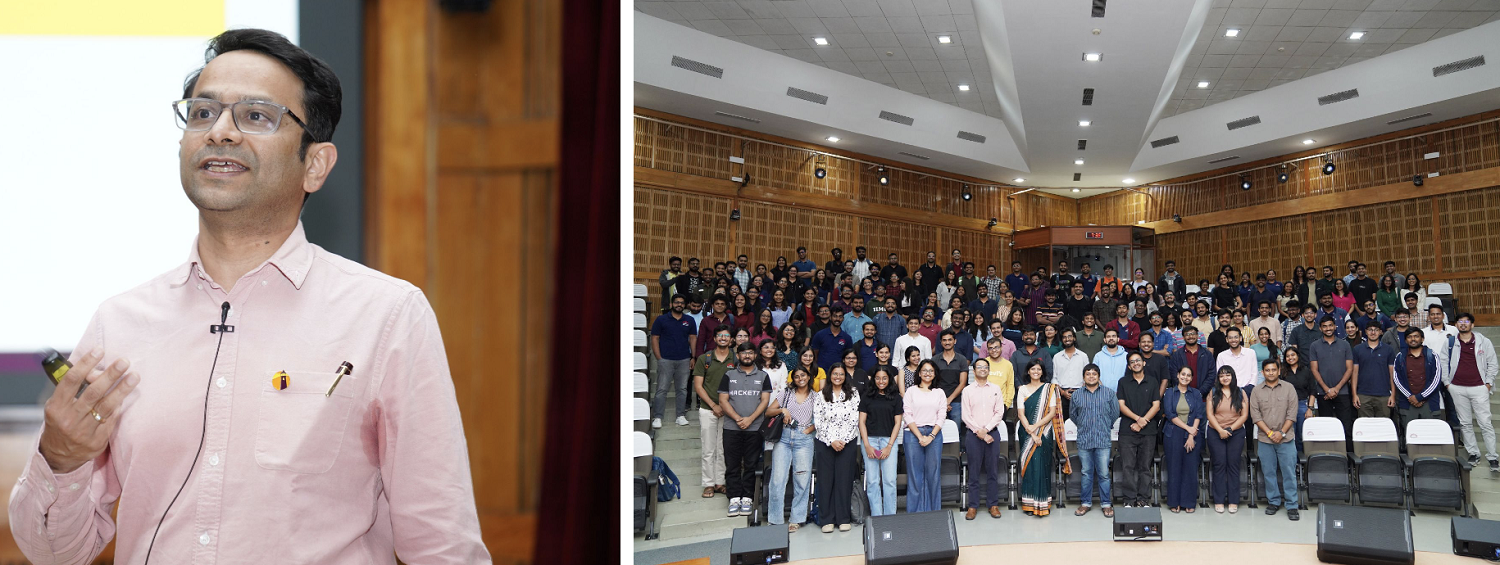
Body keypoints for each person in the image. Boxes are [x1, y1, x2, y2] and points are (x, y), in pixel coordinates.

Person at [719, 343, 773, 518]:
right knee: (732, 464)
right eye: (744, 353)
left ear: (755, 354)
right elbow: (723, 400)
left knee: (750, 464)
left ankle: (748, 498)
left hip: (755, 428)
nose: (747, 355)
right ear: (738, 354)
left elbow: (764, 401)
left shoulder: (763, 376)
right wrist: (737, 418)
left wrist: (750, 419)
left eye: (750, 352)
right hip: (731, 427)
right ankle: (734, 498)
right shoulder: (729, 375)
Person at [1442, 313, 1500, 470]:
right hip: (1457, 388)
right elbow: (1443, 361)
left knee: (1485, 423)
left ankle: (1493, 456)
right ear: (1456, 325)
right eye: (1460, 321)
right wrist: (1447, 383)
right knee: (1465, 423)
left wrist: (1488, 383)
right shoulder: (1450, 342)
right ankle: (1473, 453)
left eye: (1466, 321)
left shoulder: (1483, 341)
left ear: (1472, 325)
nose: (1463, 324)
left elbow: (1493, 363)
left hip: (1479, 388)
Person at [766, 368, 816, 530]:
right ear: (793, 379)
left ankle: (797, 518)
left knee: (802, 479)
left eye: (803, 375)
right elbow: (768, 412)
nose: (800, 378)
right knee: (778, 479)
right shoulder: (786, 393)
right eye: (796, 376)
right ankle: (775, 520)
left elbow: (823, 418)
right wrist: (783, 410)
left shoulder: (817, 396)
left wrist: (808, 429)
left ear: (809, 377)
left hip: (804, 439)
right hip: (784, 438)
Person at [1250, 359, 1300, 520]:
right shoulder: (1256, 391)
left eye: (1273, 370)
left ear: (1279, 371)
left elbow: (1292, 414)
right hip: (1265, 440)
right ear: (1262, 372)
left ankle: (1292, 505)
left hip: (1286, 439)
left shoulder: (1289, 388)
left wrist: (1281, 433)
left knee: (1289, 473)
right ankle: (1273, 501)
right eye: (1267, 370)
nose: (1270, 372)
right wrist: (1271, 434)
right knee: (1269, 472)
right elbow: (1256, 416)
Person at [1016, 360, 1067, 517]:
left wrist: (1036, 428)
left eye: (1039, 369)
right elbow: (1020, 413)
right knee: (1030, 468)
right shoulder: (1023, 389)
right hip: (1027, 433)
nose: (1036, 372)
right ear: (1028, 372)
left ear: (1042, 372)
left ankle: (1043, 503)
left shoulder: (1049, 389)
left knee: (1042, 467)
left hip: (1045, 432)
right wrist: (1031, 432)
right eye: (1033, 369)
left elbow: (1052, 413)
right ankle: (1029, 504)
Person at [813, 365, 860, 533]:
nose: (838, 377)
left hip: (848, 442)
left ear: (845, 376)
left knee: (844, 479)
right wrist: (832, 440)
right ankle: (827, 519)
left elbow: (855, 418)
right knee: (826, 480)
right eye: (835, 374)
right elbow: (818, 421)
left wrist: (843, 440)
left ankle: (843, 518)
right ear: (830, 376)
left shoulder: (853, 393)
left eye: (841, 374)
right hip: (825, 442)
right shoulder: (820, 395)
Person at [692, 327, 736, 497]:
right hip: (708, 409)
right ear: (715, 338)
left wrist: (727, 407)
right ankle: (709, 483)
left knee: (723, 448)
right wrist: (713, 405)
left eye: (727, 335)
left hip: (729, 411)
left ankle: (720, 482)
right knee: (708, 448)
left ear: (731, 339)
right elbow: (698, 386)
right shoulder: (705, 358)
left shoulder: (736, 359)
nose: (723, 338)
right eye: (720, 335)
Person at [1071, 364, 1119, 517]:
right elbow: (1073, 415)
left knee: (1104, 473)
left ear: (1099, 376)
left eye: (1094, 374)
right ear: (1083, 377)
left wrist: (1105, 425)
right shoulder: (1076, 395)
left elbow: (1115, 413)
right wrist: (1084, 425)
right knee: (1086, 473)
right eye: (1088, 374)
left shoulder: (1109, 393)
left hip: (1103, 439)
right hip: (1084, 440)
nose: (1091, 376)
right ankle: (1085, 503)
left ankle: (1106, 504)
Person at [962, 359, 1007, 520]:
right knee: (973, 471)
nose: (982, 369)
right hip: (973, 436)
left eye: (985, 367)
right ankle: (972, 506)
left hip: (992, 434)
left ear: (988, 370)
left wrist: (986, 430)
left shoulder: (995, 389)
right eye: (979, 367)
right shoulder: (967, 390)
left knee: (992, 471)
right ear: (973, 371)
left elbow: (999, 412)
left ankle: (993, 504)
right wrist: (980, 432)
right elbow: (966, 416)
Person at [1116, 352, 1160, 507]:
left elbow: (1156, 405)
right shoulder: (1123, 382)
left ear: (1144, 363)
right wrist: (1137, 419)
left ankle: (1143, 499)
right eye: (1132, 361)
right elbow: (1121, 405)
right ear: (1129, 366)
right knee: (1127, 466)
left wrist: (1143, 422)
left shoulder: (1153, 381)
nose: (1136, 363)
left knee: (1145, 467)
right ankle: (1129, 499)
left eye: (1138, 360)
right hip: (1127, 431)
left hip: (1148, 431)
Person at [903, 360, 947, 512]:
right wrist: (920, 436)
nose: (928, 373)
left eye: (931, 371)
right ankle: (914, 514)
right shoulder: (911, 391)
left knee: (933, 475)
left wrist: (931, 436)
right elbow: (907, 415)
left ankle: (933, 513)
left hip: (934, 435)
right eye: (924, 370)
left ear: (935, 374)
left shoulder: (939, 392)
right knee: (915, 476)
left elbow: (942, 416)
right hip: (913, 435)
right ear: (919, 373)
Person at [860, 367, 904, 517]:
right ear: (873, 379)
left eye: (884, 378)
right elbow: (861, 422)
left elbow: (898, 423)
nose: (881, 381)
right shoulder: (867, 396)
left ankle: (890, 516)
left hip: (888, 441)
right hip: (870, 440)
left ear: (889, 379)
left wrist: (889, 446)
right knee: (872, 481)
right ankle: (877, 516)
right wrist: (866, 445)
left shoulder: (896, 397)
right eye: (878, 378)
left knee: (890, 481)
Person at [652, 294, 701, 428]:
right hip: (665, 359)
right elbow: (655, 338)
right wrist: (659, 358)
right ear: (671, 304)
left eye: (681, 302)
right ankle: (658, 417)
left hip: (684, 359)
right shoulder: (661, 319)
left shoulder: (689, 320)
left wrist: (693, 357)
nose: (679, 304)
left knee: (682, 389)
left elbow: (693, 338)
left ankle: (680, 416)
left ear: (685, 305)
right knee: (661, 389)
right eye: (677, 302)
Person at [1206, 366, 1249, 513]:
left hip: (1235, 433)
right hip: (1215, 432)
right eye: (1222, 375)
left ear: (1233, 376)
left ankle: (1233, 500)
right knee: (1219, 465)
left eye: (1228, 375)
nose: (1225, 378)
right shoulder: (1213, 392)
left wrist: (1229, 430)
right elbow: (1210, 414)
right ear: (1218, 378)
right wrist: (1220, 430)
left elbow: (1244, 415)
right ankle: (1218, 500)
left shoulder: (1241, 392)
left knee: (1233, 465)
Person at [1162, 366, 1205, 513]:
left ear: (1191, 378)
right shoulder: (1169, 393)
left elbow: (1199, 415)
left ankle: (1189, 502)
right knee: (1174, 468)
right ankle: (1174, 502)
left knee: (1190, 468)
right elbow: (1170, 414)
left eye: (1188, 375)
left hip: (1193, 434)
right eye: (1183, 374)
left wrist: (1192, 435)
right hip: (1173, 433)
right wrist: (1189, 430)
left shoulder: (1196, 393)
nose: (1185, 377)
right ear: (1178, 375)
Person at [1310, 317, 1356, 443]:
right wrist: (1326, 389)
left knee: (1346, 427)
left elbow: (1350, 369)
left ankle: (1347, 458)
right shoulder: (1314, 346)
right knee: (1326, 427)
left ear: (1335, 326)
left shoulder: (1345, 344)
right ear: (1320, 328)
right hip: (1323, 393)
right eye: (1324, 326)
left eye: (1330, 325)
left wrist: (1336, 389)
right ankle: (1329, 456)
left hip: (1343, 392)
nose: (1328, 328)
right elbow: (1314, 370)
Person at [1395, 330, 1446, 430]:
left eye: (1416, 336)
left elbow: (1436, 379)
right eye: (1409, 337)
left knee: (1430, 435)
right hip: (1408, 403)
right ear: (1405, 340)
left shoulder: (1432, 356)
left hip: (1429, 403)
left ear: (1422, 339)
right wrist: (1410, 396)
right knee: (1410, 436)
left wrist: (1420, 397)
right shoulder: (1400, 356)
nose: (1413, 339)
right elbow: (1397, 379)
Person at [1351, 323, 1397, 419]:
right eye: (1370, 329)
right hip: (1363, 395)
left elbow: (1392, 373)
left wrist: (1393, 395)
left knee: (1383, 427)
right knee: (1365, 427)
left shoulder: (1388, 350)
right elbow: (1354, 373)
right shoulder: (1357, 349)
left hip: (1384, 395)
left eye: (1376, 330)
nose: (1373, 332)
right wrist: (1354, 395)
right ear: (1366, 332)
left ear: (1381, 332)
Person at [934, 329, 971, 438]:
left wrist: (948, 400)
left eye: (950, 340)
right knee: (937, 428)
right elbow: (933, 382)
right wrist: (943, 401)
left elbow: (962, 383)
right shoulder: (935, 360)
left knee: (956, 429)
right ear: (941, 342)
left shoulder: (962, 360)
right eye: (944, 340)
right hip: (938, 400)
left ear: (955, 341)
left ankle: (956, 452)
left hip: (956, 401)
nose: (947, 342)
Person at [1053, 329, 1088, 418]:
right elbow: (1054, 378)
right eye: (1064, 337)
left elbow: (1087, 376)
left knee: (1081, 421)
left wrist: (1080, 391)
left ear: (1074, 338)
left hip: (1080, 393)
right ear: (1062, 340)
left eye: (1069, 336)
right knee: (1062, 423)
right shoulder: (1057, 357)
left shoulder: (1083, 356)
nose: (1067, 339)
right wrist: (1062, 392)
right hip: (1062, 394)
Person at [1217, 327, 1259, 398]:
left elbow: (1254, 373)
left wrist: (1249, 389)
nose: (1233, 340)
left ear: (1240, 338)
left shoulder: (1250, 353)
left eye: (1236, 337)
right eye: (1230, 338)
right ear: (1227, 340)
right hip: (1229, 392)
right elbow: (1220, 376)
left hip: (1249, 391)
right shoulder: (1221, 356)